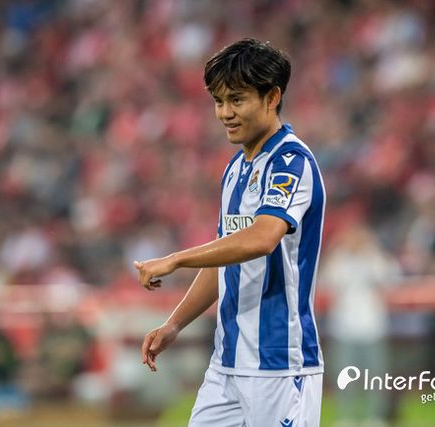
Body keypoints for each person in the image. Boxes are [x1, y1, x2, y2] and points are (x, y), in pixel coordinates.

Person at [133, 38, 326, 427]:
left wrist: (175, 259)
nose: (225, 113)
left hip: (280, 365)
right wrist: (174, 323)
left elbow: (262, 238)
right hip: (227, 364)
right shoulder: (236, 169)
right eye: (219, 101)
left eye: (236, 100)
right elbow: (225, 259)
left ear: (272, 97)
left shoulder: (291, 162)